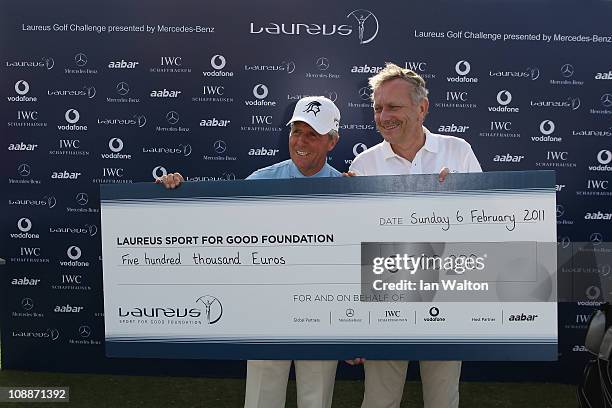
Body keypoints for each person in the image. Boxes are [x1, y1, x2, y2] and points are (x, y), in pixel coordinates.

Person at [156, 96, 342, 408]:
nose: (301, 141)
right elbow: (219, 230)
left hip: (324, 312)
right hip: (267, 309)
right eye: (296, 131)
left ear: (332, 141)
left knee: (317, 398)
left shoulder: (348, 189)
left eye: (312, 134)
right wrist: (175, 192)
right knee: (262, 399)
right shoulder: (261, 180)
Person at [348, 63, 482, 408]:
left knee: (442, 399)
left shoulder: (458, 151)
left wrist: (457, 202)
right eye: (378, 108)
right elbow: (353, 243)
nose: (383, 116)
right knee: (379, 400)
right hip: (384, 292)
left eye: (393, 107)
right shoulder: (363, 165)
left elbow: (486, 223)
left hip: (446, 291)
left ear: (422, 107)